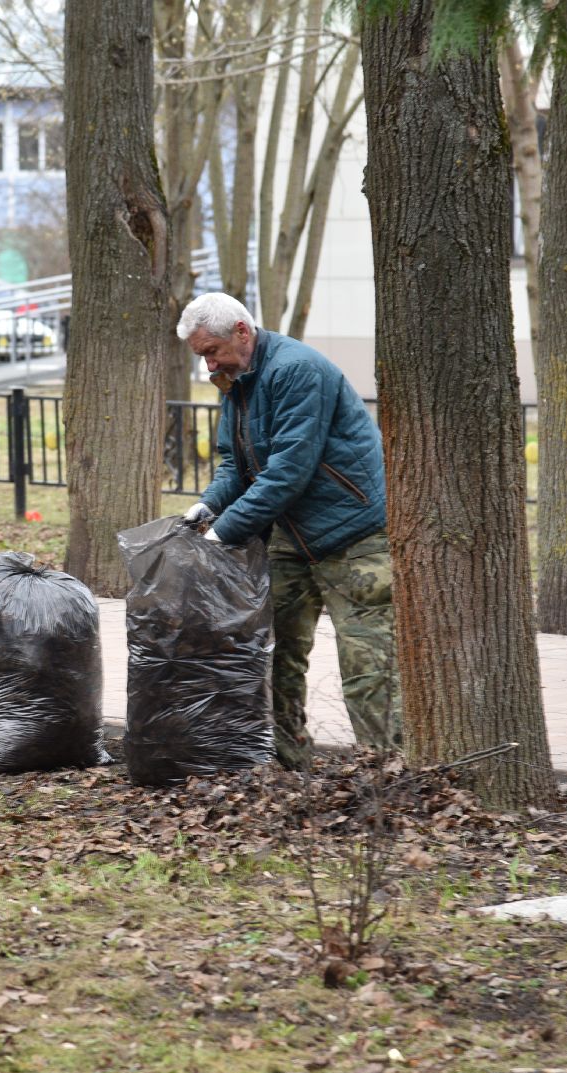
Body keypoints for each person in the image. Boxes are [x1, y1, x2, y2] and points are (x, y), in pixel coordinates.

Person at [177, 292, 400, 767]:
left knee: (368, 664)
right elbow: (234, 463)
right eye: (202, 356)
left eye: (211, 351)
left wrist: (226, 532)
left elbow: (288, 470)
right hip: (288, 537)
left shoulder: (297, 370)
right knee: (275, 652)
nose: (208, 364)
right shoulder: (236, 381)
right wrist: (207, 506)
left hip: (353, 537)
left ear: (241, 331)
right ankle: (288, 762)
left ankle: (386, 771)